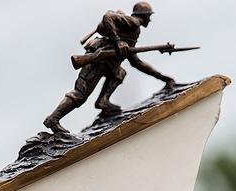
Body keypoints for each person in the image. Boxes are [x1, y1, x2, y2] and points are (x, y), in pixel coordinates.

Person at [43, 2, 175, 134]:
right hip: (97, 61)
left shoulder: (133, 31)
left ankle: (103, 102)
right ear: (144, 16)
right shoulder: (133, 22)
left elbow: (136, 62)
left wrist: (164, 78)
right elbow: (108, 17)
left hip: (108, 64)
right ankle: (53, 119)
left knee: (120, 73)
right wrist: (118, 41)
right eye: (149, 16)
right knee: (80, 95)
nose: (150, 20)